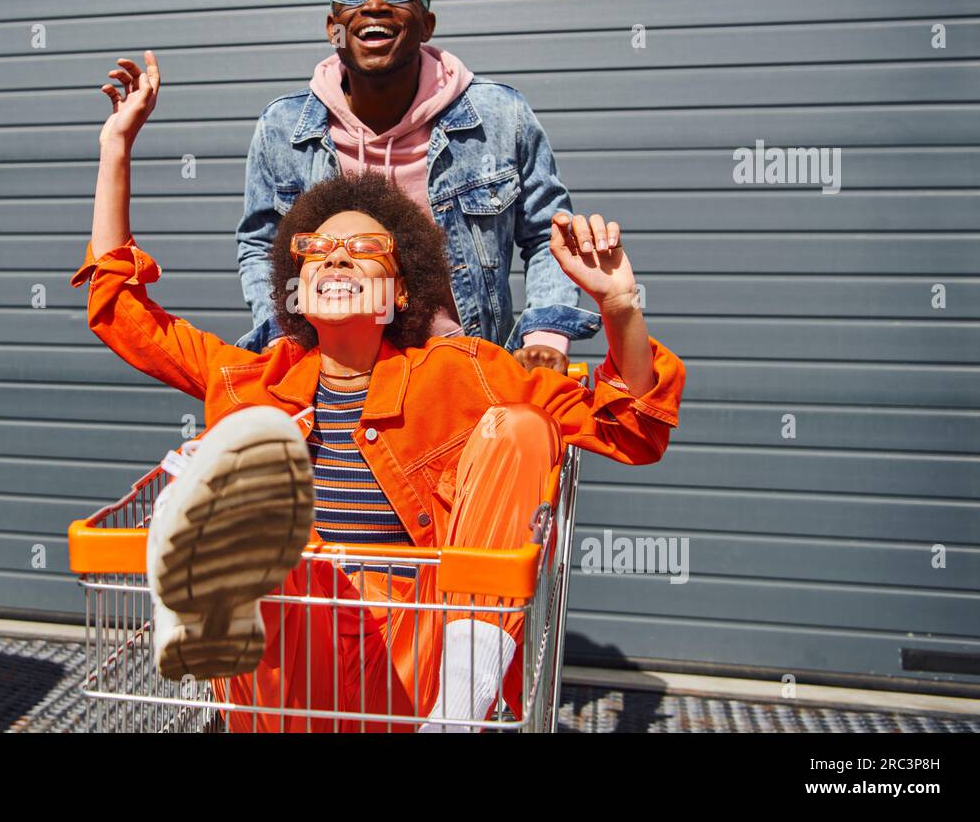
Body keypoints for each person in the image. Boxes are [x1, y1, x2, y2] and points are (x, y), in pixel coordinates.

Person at [73, 51, 686, 732]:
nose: (335, 257)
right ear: (297, 286)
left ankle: (458, 713)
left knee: (521, 428)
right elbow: (123, 314)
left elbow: (631, 425)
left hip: (415, 662)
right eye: (318, 251)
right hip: (291, 652)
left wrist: (621, 306)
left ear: (398, 291)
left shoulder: (460, 371)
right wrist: (115, 148)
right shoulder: (253, 379)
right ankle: (207, 575)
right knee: (244, 443)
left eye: (362, 252)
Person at [235, 0, 601, 375]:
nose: (374, 4)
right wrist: (283, 336)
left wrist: (543, 337)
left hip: (464, 374)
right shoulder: (284, 126)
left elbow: (550, 237)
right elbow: (261, 245)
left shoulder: (499, 116)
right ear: (333, 27)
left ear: (427, 24)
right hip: (335, 376)